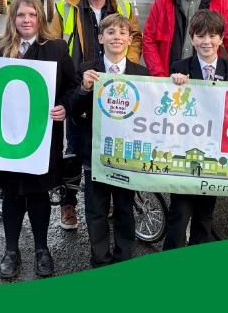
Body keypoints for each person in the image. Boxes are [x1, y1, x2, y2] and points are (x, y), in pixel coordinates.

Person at [0, 0, 75, 278]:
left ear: (40, 18)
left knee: (39, 194)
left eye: (32, 15)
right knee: (13, 195)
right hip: (6, 136)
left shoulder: (56, 48)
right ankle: (11, 251)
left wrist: (64, 106)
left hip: (40, 137)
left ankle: (42, 250)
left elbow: (71, 85)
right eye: (21, 15)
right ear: (12, 18)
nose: (26, 20)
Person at [50, 0, 141, 230]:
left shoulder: (122, 6)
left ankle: (105, 196)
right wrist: (72, 80)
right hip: (81, 86)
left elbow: (135, 38)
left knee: (111, 144)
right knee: (76, 148)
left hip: (115, 89)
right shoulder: (66, 7)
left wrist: (128, 68)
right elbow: (54, 44)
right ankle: (68, 204)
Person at [164, 9, 228, 250]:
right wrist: (174, 83)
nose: (207, 42)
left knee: (205, 215)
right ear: (192, 39)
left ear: (221, 39)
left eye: (213, 36)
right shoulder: (179, 66)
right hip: (185, 152)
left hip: (214, 157)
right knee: (179, 214)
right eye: (200, 36)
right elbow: (168, 106)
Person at [69, 14, 150, 268]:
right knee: (96, 211)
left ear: (129, 40)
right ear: (101, 38)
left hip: (126, 155)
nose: (117, 37)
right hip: (96, 155)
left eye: (123, 33)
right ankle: (100, 260)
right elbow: (73, 110)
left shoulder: (141, 73)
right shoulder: (87, 69)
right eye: (111, 32)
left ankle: (123, 257)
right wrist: (84, 88)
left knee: (125, 209)